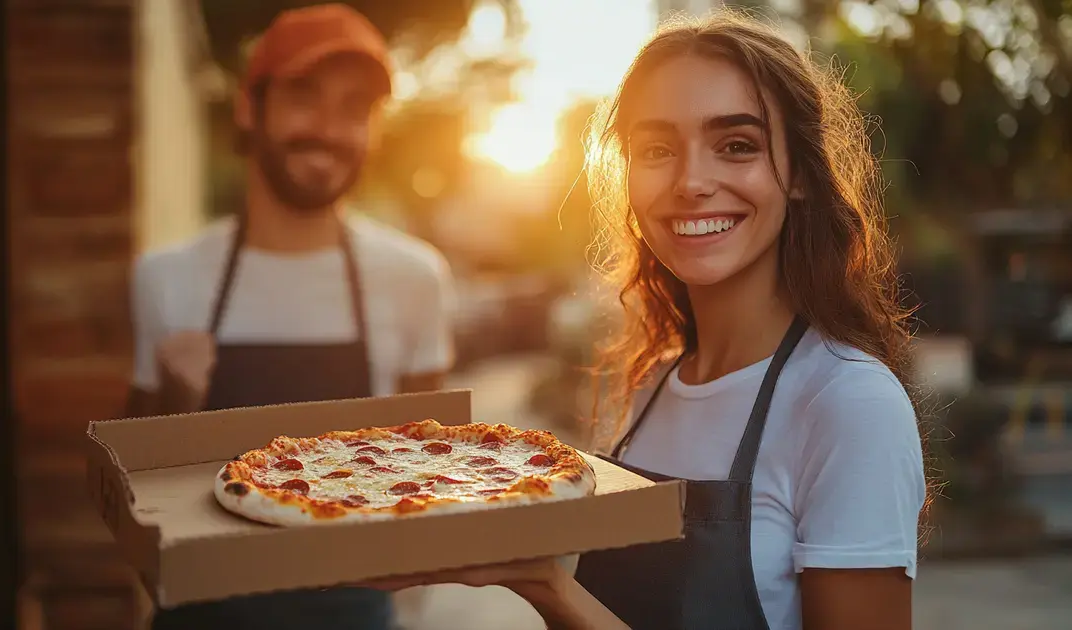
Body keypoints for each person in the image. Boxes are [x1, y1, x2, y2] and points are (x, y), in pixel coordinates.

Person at [366, 10, 927, 630]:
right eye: (656, 149)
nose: (690, 182)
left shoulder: (849, 404)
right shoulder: (653, 386)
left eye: (737, 145)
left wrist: (550, 586)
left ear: (798, 175)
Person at [125, 5, 454, 630]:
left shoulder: (414, 280)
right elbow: (129, 499)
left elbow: (426, 482)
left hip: (353, 612)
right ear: (250, 107)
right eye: (305, 96)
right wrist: (173, 404)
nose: (329, 129)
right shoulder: (168, 278)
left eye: (354, 108)